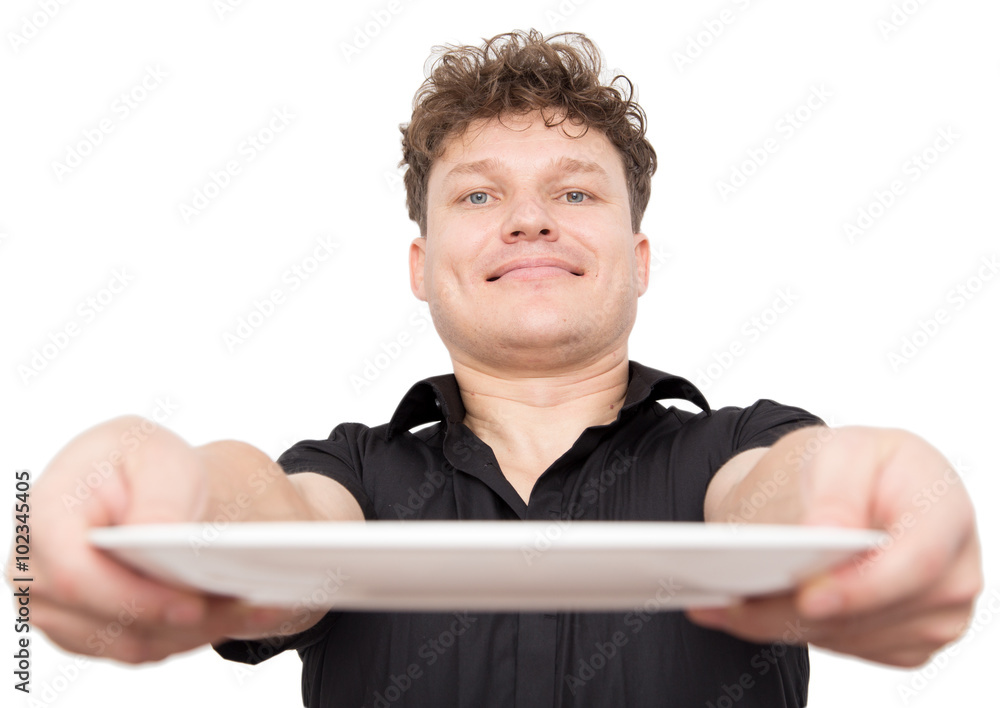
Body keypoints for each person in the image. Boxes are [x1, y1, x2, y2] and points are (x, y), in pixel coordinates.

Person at [8, 29, 981, 708]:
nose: (528, 220)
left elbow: (788, 493)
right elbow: (277, 526)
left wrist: (862, 493)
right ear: (421, 267)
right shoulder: (356, 475)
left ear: (639, 259)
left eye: (574, 192)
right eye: (478, 196)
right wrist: (177, 496)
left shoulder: (735, 448)